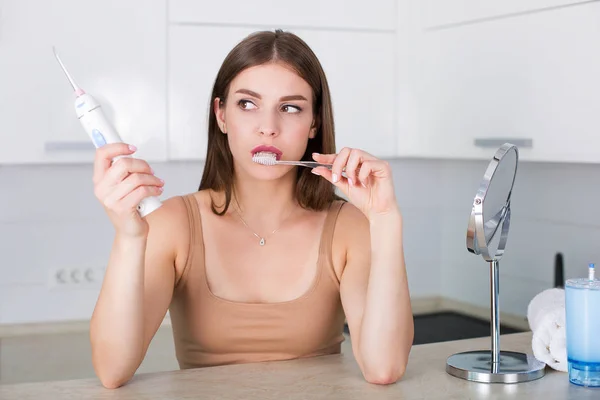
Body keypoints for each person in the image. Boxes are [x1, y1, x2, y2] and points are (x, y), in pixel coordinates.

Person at [89, 29, 414, 389]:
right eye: (247, 104)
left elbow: (383, 368)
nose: (268, 128)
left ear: (314, 123)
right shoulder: (173, 224)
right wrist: (129, 237)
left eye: (290, 108)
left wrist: (385, 219)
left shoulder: (349, 228)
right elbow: (112, 369)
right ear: (221, 115)